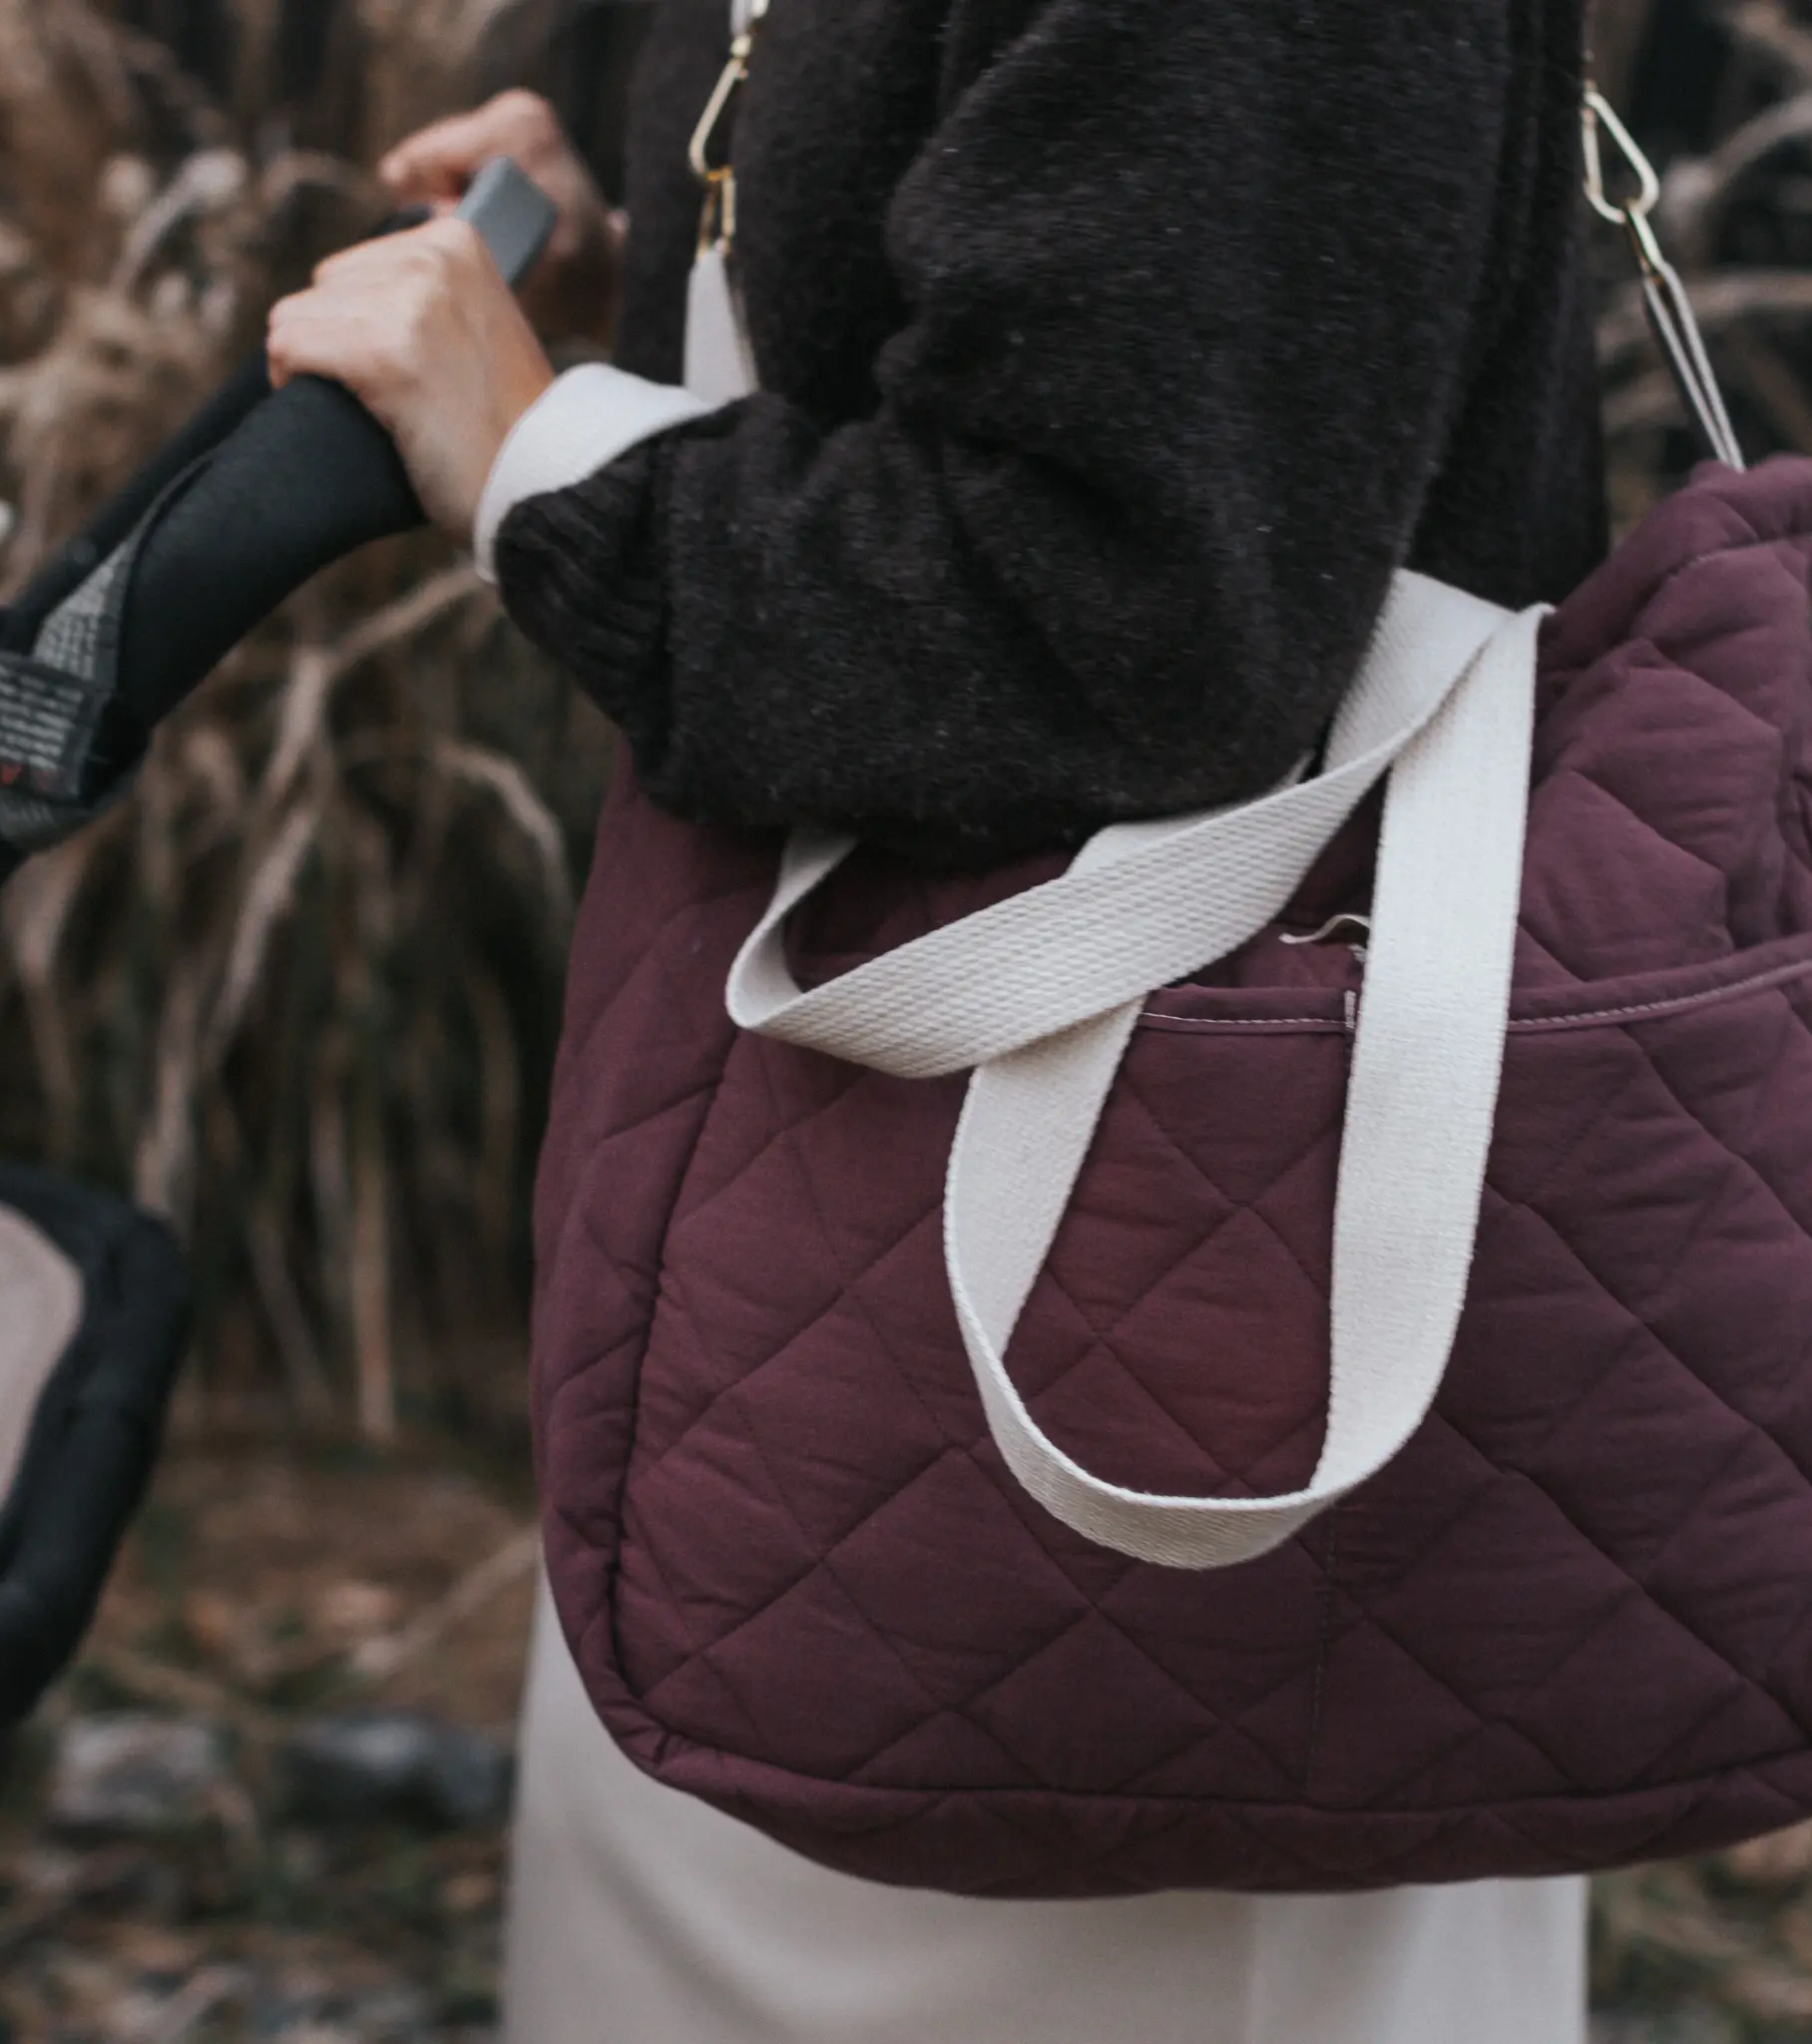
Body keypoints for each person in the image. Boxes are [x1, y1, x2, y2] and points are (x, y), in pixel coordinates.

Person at [264, 4, 1603, 2037]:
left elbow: (1122, 615)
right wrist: (686, 246)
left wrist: (546, 455)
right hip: (814, 1229)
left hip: (1153, 1294)